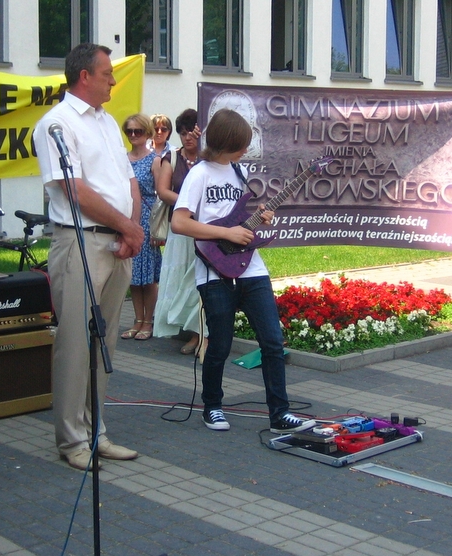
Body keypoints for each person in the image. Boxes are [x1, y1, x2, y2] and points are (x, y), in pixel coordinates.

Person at [170, 108, 316, 433]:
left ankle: (280, 413)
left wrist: (259, 218)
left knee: (273, 342)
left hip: (251, 267)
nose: (246, 150)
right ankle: (212, 406)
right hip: (213, 269)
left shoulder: (240, 172)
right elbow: (179, 223)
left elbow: (237, 218)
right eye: (241, 144)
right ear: (226, 142)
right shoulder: (199, 174)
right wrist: (226, 233)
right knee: (219, 345)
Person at [33, 43, 143, 471]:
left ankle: (96, 431)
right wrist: (127, 227)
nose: (113, 80)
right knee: (76, 344)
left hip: (118, 242)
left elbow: (129, 181)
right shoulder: (56, 123)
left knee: (104, 342)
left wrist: (131, 229)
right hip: (81, 241)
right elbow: (74, 189)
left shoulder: (107, 121)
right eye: (107, 73)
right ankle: (72, 439)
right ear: (84, 76)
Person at [152, 109, 205, 355]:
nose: (187, 138)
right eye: (183, 133)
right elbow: (163, 191)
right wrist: (188, 204)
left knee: (198, 280)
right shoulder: (171, 157)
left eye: (191, 132)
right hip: (180, 228)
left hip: (204, 229)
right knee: (181, 279)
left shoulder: (209, 159)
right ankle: (184, 326)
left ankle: (199, 334)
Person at [119, 113, 161, 341]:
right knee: (133, 274)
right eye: (129, 131)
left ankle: (148, 321)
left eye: (138, 131)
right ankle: (137, 319)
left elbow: (160, 196)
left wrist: (156, 228)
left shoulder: (155, 160)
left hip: (147, 219)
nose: (133, 135)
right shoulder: (122, 159)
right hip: (126, 218)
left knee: (148, 276)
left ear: (147, 133)